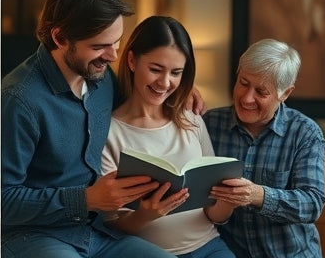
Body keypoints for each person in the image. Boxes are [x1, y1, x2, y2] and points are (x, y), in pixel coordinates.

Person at [1, 0, 174, 258]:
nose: (113, 56)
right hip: (32, 235)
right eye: (100, 46)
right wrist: (86, 199)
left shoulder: (101, 78)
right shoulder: (18, 101)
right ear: (59, 38)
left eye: (116, 42)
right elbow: (2, 199)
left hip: (96, 232)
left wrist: (179, 97)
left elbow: (133, 106)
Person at [101, 16, 236, 257]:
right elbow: (110, 225)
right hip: (148, 252)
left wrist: (228, 201)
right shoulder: (110, 132)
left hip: (209, 247)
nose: (165, 82)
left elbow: (212, 212)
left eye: (176, 72)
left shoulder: (191, 119)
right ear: (132, 60)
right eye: (155, 69)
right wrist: (145, 215)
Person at [203, 39, 325, 258]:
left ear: (285, 94)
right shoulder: (209, 124)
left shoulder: (305, 133)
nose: (247, 97)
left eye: (261, 91)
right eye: (243, 82)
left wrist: (257, 195)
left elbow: (312, 203)